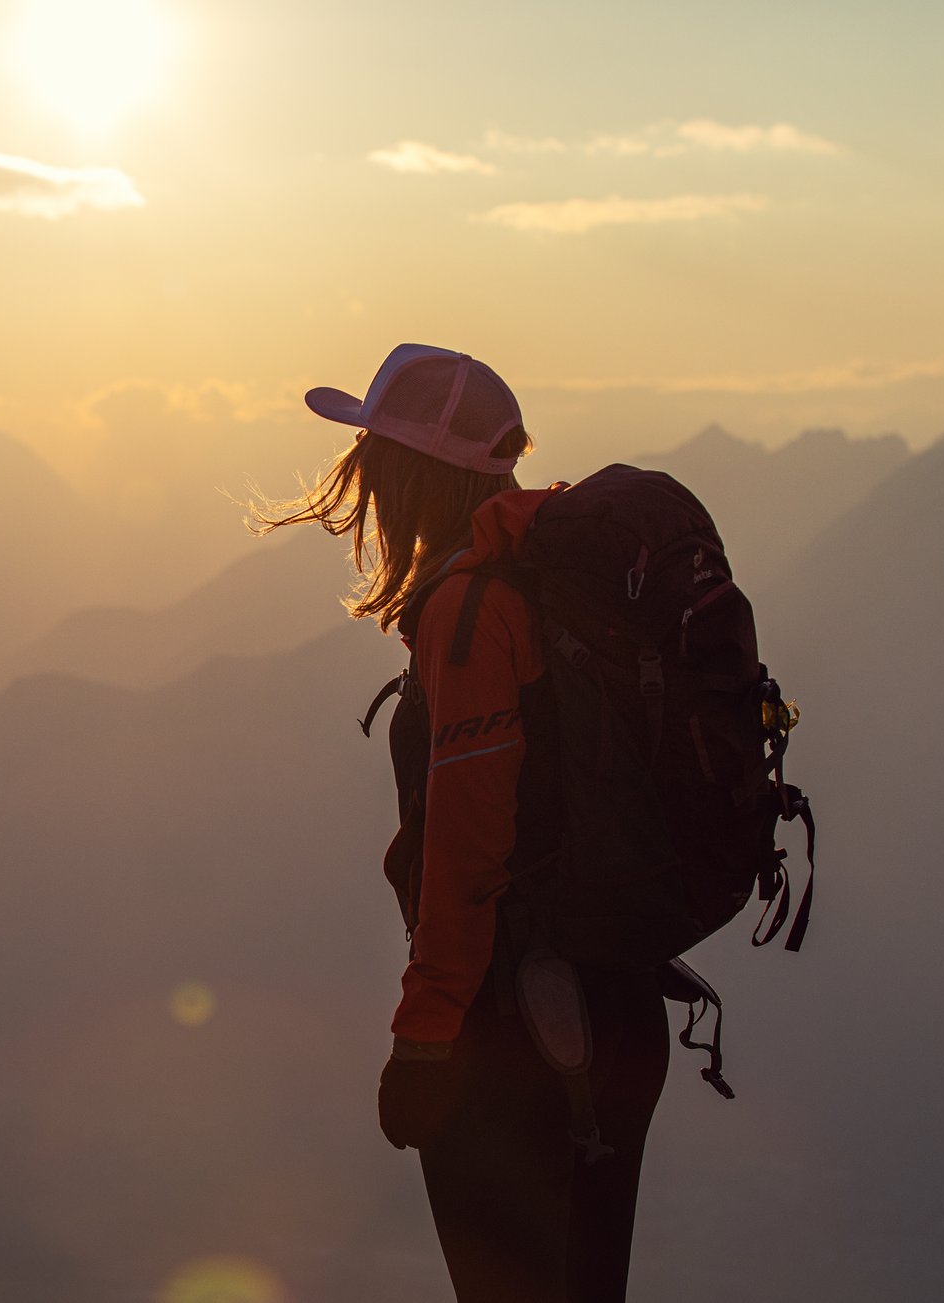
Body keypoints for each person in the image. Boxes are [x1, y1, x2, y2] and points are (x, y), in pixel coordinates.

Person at [255, 344, 670, 1303]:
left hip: (521, 1038)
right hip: (607, 1012)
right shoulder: (537, 582)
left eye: (372, 461)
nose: (360, 485)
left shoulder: (472, 615)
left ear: (406, 472)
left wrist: (425, 1040)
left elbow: (465, 856)